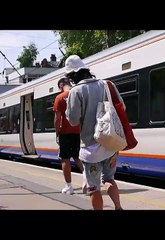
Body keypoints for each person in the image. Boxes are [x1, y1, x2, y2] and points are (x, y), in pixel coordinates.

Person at [65, 55, 123, 210]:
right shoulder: (106, 84)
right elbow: (121, 107)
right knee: (109, 178)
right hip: (111, 143)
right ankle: (118, 207)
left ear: (72, 76)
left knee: (93, 187)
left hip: (91, 149)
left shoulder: (75, 91)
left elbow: (73, 121)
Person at [53, 77, 84, 194]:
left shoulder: (59, 98)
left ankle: (69, 186)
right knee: (77, 157)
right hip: (77, 131)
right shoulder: (78, 94)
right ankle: (88, 181)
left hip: (64, 133)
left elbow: (57, 118)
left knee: (65, 159)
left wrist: (57, 132)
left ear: (61, 86)